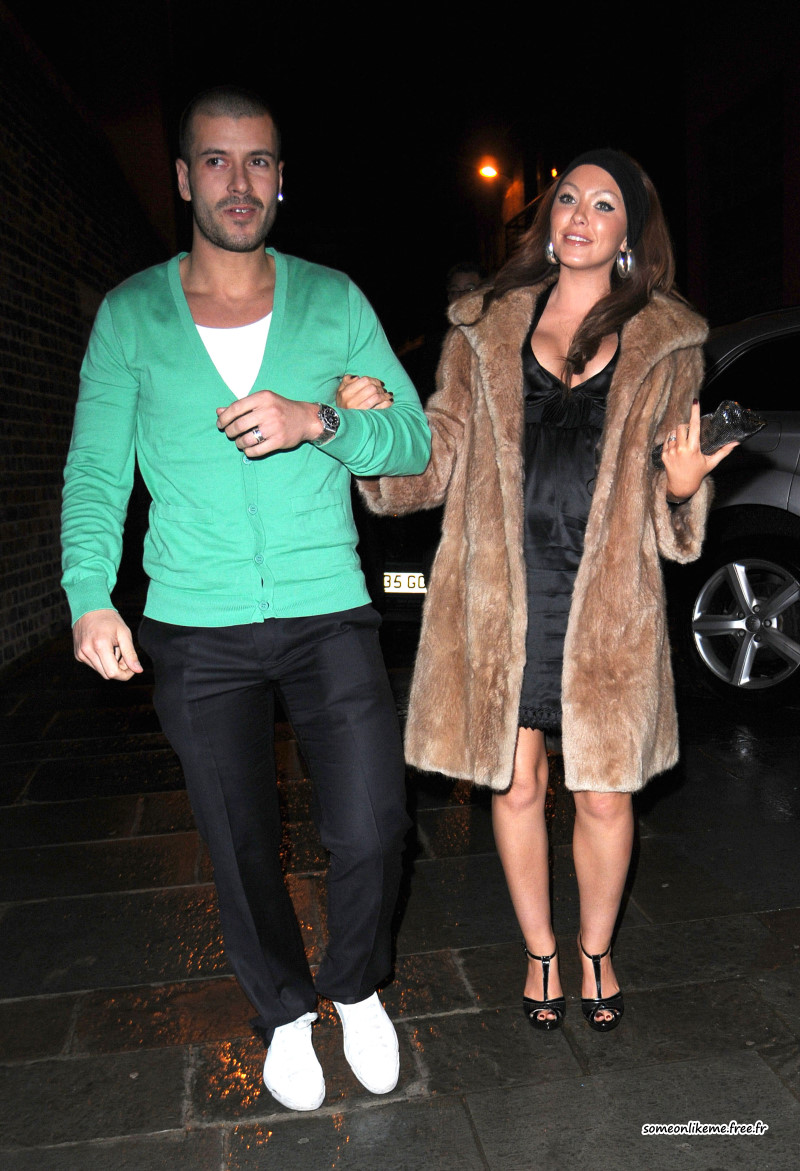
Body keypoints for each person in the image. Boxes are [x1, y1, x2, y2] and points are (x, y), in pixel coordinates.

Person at [61, 86, 430, 1111]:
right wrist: (90, 592)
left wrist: (320, 420)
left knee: (373, 824)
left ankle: (354, 985)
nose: (239, 181)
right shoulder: (131, 314)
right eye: (217, 161)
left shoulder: (333, 300)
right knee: (238, 840)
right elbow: (96, 471)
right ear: (184, 178)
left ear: (280, 179)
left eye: (258, 161)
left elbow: (411, 440)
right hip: (194, 622)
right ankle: (284, 1011)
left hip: (326, 606)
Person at [340, 149, 736, 1034]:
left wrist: (682, 488)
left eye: (604, 204)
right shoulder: (482, 327)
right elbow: (435, 457)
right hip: (501, 590)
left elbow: (667, 500)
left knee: (605, 793)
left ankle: (596, 949)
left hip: (606, 598)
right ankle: (540, 951)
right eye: (569, 199)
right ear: (548, 220)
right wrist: (372, 431)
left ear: (631, 233)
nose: (581, 215)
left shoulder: (670, 342)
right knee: (515, 783)